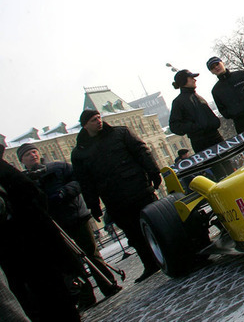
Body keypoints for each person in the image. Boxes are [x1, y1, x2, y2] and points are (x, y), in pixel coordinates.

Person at [17, 143, 121, 305]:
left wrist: (65, 192)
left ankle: (108, 285)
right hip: (55, 225)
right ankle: (86, 297)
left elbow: (78, 180)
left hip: (76, 216)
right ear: (22, 160)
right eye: (27, 154)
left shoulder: (58, 167)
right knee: (72, 263)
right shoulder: (24, 181)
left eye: (34, 151)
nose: (32, 155)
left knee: (91, 254)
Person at [72, 109, 162, 284]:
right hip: (114, 198)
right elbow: (86, 181)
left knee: (154, 223)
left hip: (138, 189)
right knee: (133, 233)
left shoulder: (120, 133)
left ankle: (169, 253)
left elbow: (141, 151)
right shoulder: (80, 152)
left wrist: (153, 171)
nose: (98, 121)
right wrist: (94, 205)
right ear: (85, 125)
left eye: (99, 118)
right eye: (93, 120)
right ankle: (150, 264)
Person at [0, 158, 81, 322]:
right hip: (32, 245)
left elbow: (32, 195)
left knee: (46, 300)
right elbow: (34, 195)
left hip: (25, 247)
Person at [169, 69, 223, 153]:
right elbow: (174, 126)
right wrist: (195, 128)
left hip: (216, 137)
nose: (195, 80)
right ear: (184, 81)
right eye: (191, 78)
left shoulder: (198, 97)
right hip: (201, 143)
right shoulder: (178, 102)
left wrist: (214, 122)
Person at [207, 56, 244, 134]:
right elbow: (223, 111)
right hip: (241, 124)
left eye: (217, 64)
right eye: (213, 68)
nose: (216, 67)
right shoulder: (216, 90)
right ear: (211, 72)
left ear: (222, 63)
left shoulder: (241, 74)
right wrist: (234, 113)